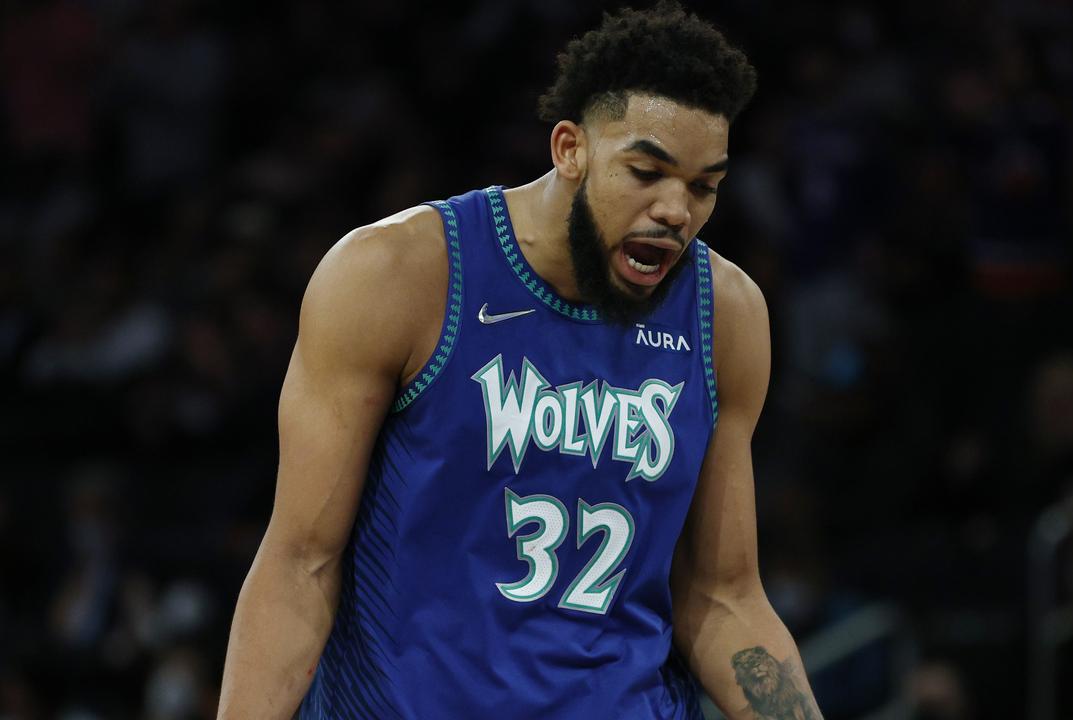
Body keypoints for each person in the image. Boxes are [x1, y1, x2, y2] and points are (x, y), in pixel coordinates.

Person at [217, 4, 822, 718]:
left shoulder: (725, 315)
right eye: (646, 172)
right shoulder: (400, 274)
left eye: (702, 186)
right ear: (570, 148)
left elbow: (724, 595)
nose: (675, 211)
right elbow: (300, 563)